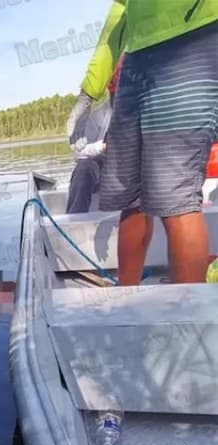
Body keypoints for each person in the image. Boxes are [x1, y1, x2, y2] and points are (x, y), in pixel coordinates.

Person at [69, 1, 218, 285]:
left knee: (177, 197)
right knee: (130, 195)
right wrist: (90, 89)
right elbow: (119, 10)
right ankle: (127, 298)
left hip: (193, 35)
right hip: (136, 52)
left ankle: (183, 323)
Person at [66, 56, 122, 214]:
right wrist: (102, 147)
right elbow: (78, 153)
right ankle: (73, 224)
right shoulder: (98, 115)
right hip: (104, 169)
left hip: (134, 169)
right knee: (84, 168)